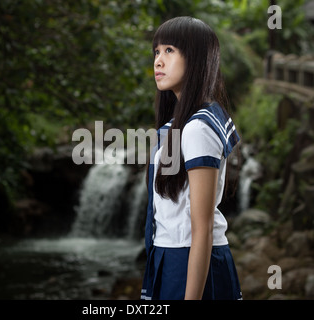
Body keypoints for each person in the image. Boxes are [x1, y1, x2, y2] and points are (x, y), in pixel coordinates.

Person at [141, 16, 242, 300]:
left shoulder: (198, 128)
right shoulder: (180, 124)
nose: (158, 61)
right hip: (170, 254)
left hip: (189, 261)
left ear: (197, 58)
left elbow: (203, 228)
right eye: (157, 52)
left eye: (169, 50)